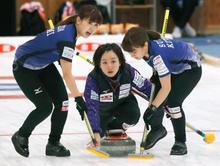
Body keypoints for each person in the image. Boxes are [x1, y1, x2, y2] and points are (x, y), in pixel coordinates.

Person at [11, 5, 102, 157]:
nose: (92, 29)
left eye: (96, 25)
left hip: (43, 65)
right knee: (45, 107)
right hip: (24, 68)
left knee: (63, 103)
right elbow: (67, 74)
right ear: (79, 20)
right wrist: (79, 98)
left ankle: (53, 144)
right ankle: (21, 135)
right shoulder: (67, 38)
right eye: (90, 23)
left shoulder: (70, 32)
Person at [122, 27, 202, 155]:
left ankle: (180, 142)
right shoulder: (147, 50)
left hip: (190, 70)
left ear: (145, 45)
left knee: (173, 104)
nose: (132, 55)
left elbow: (166, 88)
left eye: (133, 51)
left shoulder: (158, 57)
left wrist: (152, 109)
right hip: (175, 67)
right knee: (157, 96)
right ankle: (157, 129)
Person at [83, 43, 152, 146]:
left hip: (124, 105)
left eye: (113, 61)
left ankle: (118, 127)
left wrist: (162, 101)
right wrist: (96, 132)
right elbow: (92, 106)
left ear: (120, 62)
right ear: (99, 64)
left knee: (133, 115)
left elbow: (146, 87)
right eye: (104, 62)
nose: (109, 66)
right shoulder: (93, 79)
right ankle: (105, 128)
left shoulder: (128, 71)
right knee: (99, 132)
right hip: (103, 112)